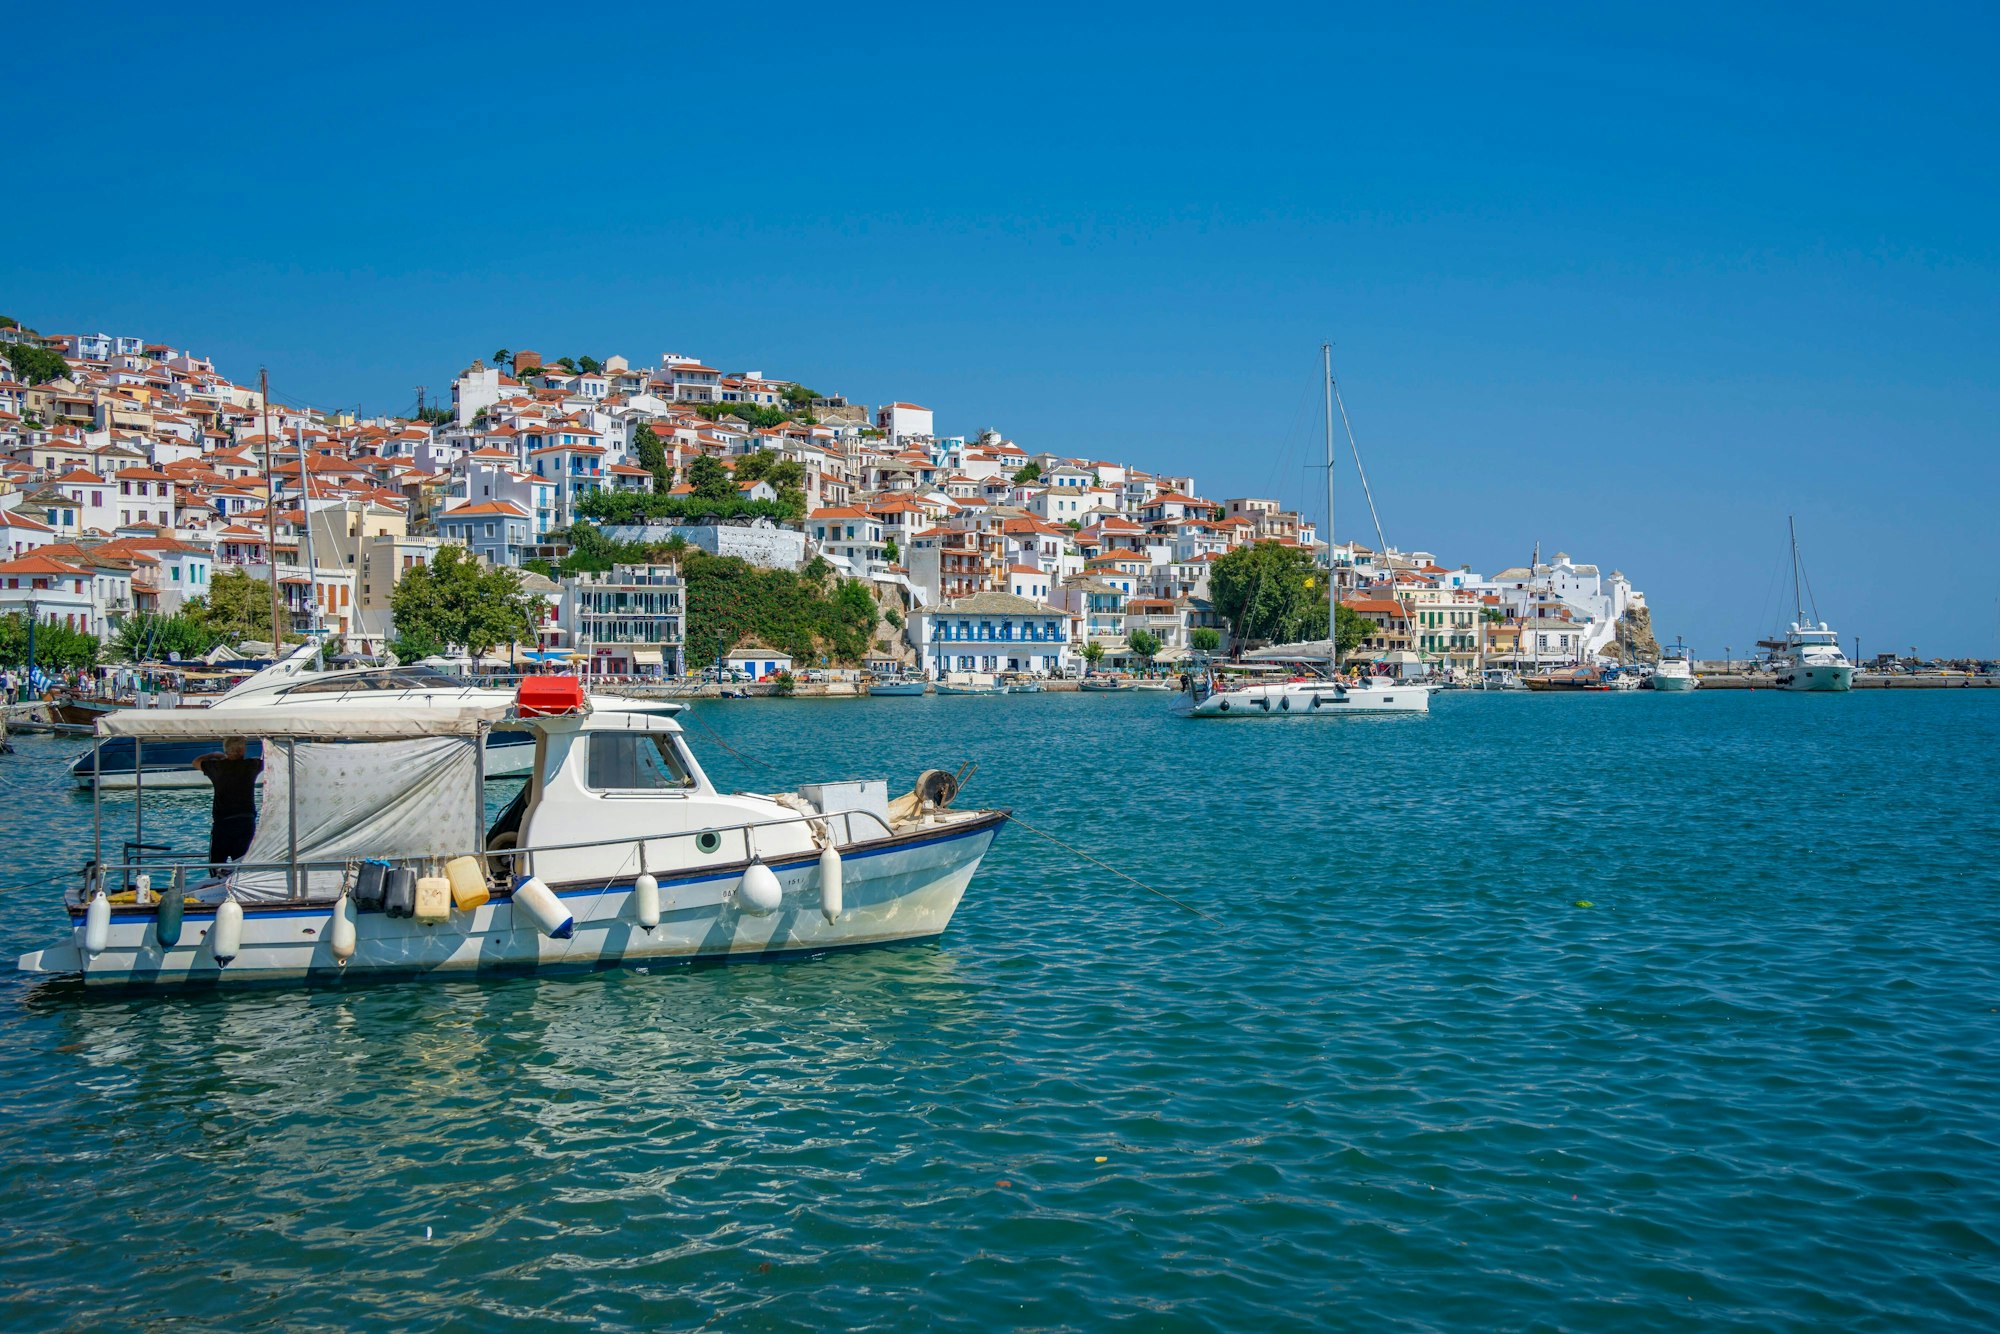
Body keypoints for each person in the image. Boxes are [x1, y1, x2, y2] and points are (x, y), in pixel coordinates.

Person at [193, 738, 262, 865]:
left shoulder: (217, 767)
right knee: (243, 862)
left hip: (222, 823)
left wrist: (214, 755)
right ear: (242, 750)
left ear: (226, 750)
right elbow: (268, 761)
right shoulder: (251, 765)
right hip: (245, 821)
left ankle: (215, 884)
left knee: (217, 864)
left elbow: (196, 762)